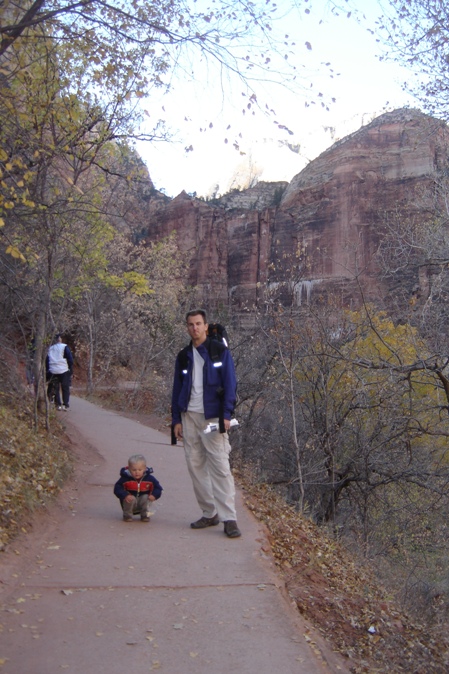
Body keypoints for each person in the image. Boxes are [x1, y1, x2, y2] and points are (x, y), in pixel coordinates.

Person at [171, 309, 241, 538]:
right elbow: (177, 389)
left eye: (198, 324)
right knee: (195, 466)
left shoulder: (219, 352)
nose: (195, 328)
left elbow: (230, 383)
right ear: (187, 327)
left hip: (212, 416)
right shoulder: (183, 356)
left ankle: (229, 518)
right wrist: (175, 419)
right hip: (189, 416)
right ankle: (209, 512)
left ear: (205, 325)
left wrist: (227, 415)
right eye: (190, 324)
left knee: (220, 466)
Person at [114, 454, 163, 522]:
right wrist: (125, 495)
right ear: (129, 469)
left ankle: (145, 515)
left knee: (146, 497)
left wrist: (154, 495)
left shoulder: (150, 479)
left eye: (140, 470)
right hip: (130, 501)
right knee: (131, 498)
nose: (137, 472)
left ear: (145, 468)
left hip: (143, 500)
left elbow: (158, 488)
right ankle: (127, 515)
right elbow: (117, 488)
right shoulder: (125, 479)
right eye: (134, 470)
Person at [46, 333, 73, 411]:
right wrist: (70, 369)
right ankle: (65, 404)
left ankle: (58, 404)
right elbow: (70, 359)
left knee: (55, 387)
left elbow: (47, 361)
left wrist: (48, 370)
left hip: (53, 370)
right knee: (65, 387)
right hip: (63, 369)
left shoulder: (50, 348)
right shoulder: (64, 347)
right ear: (60, 339)